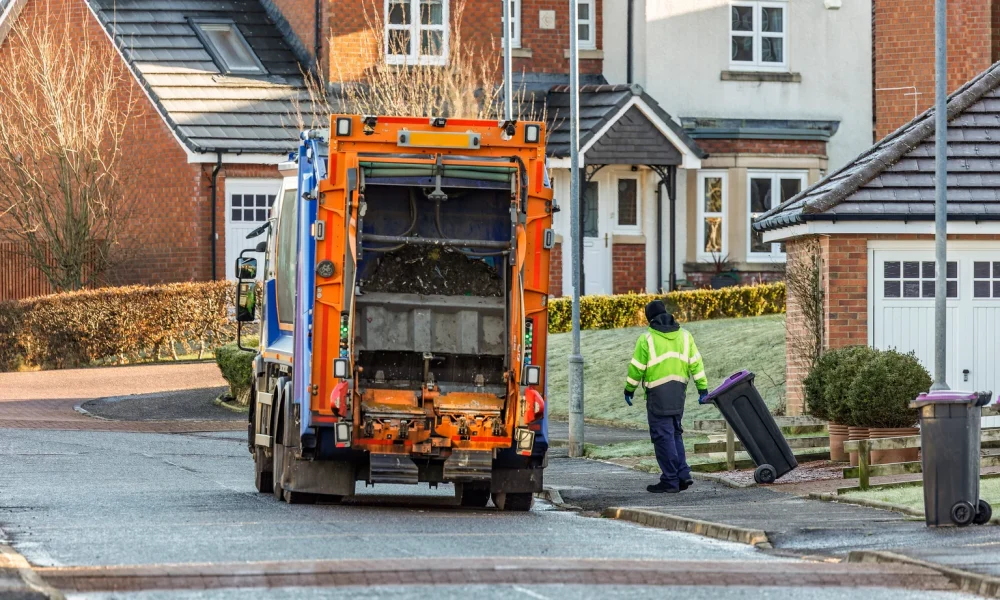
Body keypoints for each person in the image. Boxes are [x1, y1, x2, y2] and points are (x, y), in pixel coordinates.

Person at [624, 300, 708, 493]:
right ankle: (683, 473)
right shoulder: (685, 336)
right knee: (675, 433)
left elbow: (636, 369)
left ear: (649, 318)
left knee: (663, 437)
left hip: (657, 394)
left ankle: (670, 480)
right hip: (679, 392)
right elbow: (696, 363)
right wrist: (703, 389)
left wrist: (629, 389)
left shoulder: (647, 339)